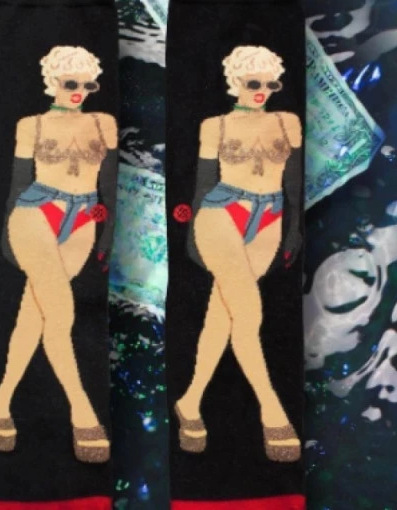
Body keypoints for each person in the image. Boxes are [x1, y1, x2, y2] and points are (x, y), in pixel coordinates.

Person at [0, 46, 117, 464]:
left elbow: (108, 186)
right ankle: (83, 411)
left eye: (87, 84)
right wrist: (6, 237)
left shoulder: (104, 123)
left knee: (35, 316)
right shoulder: (31, 125)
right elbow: (18, 183)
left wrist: (107, 234)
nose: (79, 91)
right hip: (34, 215)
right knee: (60, 315)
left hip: (83, 222)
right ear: (53, 82)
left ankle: (0, 400)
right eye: (70, 83)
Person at [175, 45, 304, 462]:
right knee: (248, 315)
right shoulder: (214, 126)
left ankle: (190, 401)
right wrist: (192, 235)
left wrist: (294, 229)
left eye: (271, 83)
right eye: (253, 82)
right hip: (221, 214)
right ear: (235, 82)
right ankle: (272, 411)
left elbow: (294, 182)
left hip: (270, 220)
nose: (263, 90)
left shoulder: (288, 122)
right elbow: (203, 182)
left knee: (223, 317)